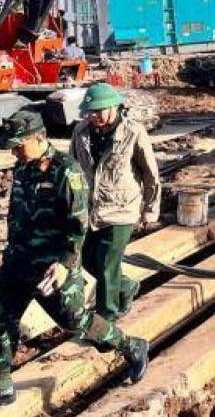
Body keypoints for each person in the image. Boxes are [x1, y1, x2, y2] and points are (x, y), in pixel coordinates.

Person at [0, 111, 147, 412]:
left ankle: (131, 345)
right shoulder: (22, 168)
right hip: (18, 262)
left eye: (19, 146)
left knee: (75, 321)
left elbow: (78, 226)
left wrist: (65, 265)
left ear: (39, 138)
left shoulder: (66, 171)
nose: (15, 153)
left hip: (53, 267)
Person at [71, 84, 160, 324]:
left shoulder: (133, 132)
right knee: (88, 259)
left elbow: (150, 174)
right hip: (92, 210)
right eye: (89, 112)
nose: (93, 117)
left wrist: (150, 210)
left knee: (108, 264)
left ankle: (105, 317)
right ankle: (127, 286)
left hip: (122, 209)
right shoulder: (81, 132)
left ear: (114, 107)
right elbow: (73, 169)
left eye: (98, 112)